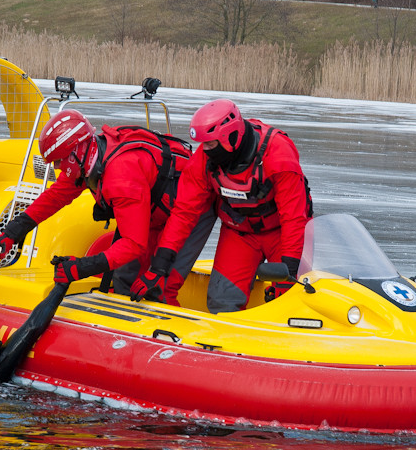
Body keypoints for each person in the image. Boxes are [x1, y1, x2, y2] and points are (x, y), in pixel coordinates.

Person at [0, 109, 213, 304]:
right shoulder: (88, 159)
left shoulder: (120, 176)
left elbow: (134, 244)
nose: (56, 168)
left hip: (190, 213)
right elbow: (55, 197)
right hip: (152, 211)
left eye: (58, 161)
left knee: (159, 285)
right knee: (125, 280)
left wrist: (82, 267)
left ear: (76, 150)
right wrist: (12, 232)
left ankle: (172, 345)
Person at [131, 99, 313, 313]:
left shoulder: (278, 154)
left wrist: (288, 273)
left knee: (290, 303)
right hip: (240, 232)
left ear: (230, 137)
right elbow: (183, 213)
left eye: (209, 144)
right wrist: (159, 266)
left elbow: (294, 218)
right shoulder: (204, 160)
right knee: (221, 303)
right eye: (202, 144)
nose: (204, 150)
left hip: (282, 233)